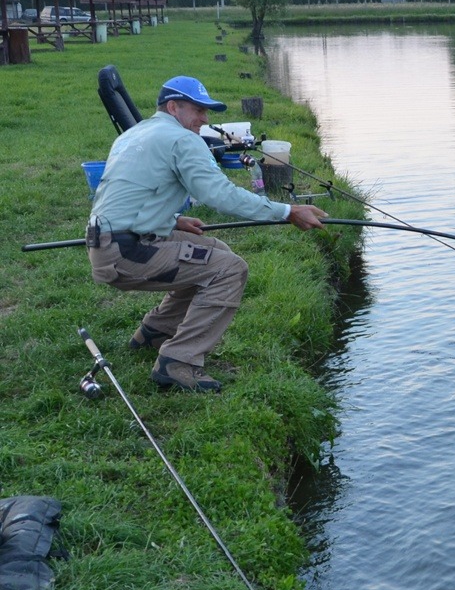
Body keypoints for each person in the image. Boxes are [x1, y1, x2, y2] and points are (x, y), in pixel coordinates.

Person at [86, 75, 328, 393]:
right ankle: (178, 362)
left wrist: (172, 220)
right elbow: (220, 195)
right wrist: (288, 211)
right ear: (174, 107)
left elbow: (128, 192)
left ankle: (155, 332)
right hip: (127, 252)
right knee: (230, 269)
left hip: (108, 242)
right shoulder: (182, 140)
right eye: (198, 110)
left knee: (213, 250)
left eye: (206, 111)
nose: (205, 119)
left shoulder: (136, 134)